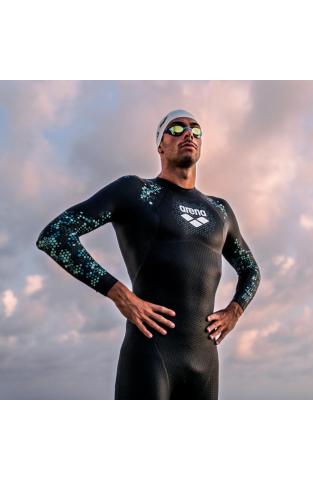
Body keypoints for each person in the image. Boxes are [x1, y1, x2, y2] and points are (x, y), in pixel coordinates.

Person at [35, 108, 261, 399]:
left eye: (195, 130)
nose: (188, 134)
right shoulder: (135, 191)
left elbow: (250, 269)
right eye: (176, 128)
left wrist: (234, 311)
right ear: (160, 145)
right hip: (150, 355)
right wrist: (120, 294)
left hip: (205, 361)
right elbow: (55, 235)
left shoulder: (220, 210)